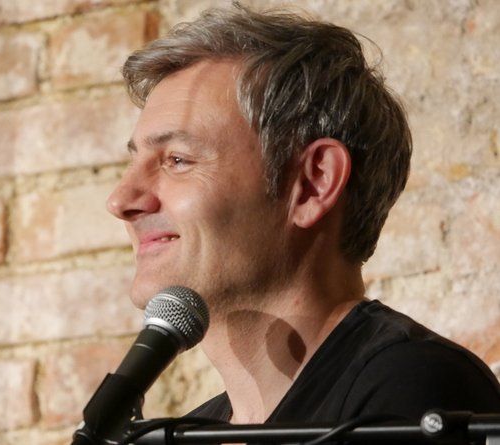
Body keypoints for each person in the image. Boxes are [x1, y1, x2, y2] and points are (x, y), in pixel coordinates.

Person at [105, 3, 500, 429]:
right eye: (133, 162)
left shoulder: (411, 390)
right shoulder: (187, 432)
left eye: (177, 160)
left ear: (314, 183)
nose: (121, 200)